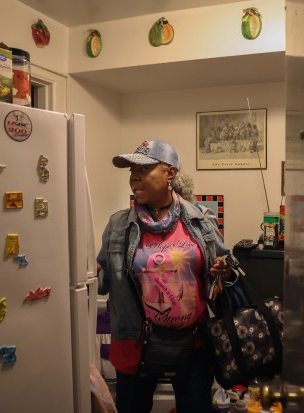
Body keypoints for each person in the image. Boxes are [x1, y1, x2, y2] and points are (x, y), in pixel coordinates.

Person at [96, 140, 231, 412]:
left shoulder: (200, 219)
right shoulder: (119, 225)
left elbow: (224, 271)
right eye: (131, 170)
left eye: (143, 169)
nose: (134, 176)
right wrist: (82, 273)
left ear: (170, 173)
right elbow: (102, 282)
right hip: (135, 344)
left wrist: (221, 270)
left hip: (193, 344)